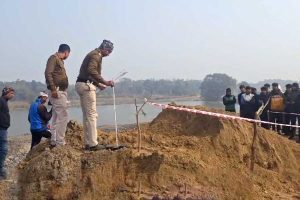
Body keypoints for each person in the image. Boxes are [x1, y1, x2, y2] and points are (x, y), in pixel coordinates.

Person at [75, 40, 114, 151]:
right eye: (109, 51)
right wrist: (106, 82)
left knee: (87, 116)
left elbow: (89, 74)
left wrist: (98, 84)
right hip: (86, 86)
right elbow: (91, 70)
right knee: (92, 115)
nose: (109, 54)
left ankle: (88, 142)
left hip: (81, 84)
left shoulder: (93, 54)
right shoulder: (96, 55)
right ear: (105, 49)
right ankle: (93, 144)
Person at [45, 44, 70, 147]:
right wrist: (53, 89)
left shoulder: (60, 61)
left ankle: (54, 140)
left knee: (56, 117)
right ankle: (60, 141)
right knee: (63, 116)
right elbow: (48, 73)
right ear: (66, 52)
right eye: (68, 54)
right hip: (57, 91)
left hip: (60, 91)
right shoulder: (53, 58)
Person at [0, 87, 15, 180]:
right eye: (11, 93)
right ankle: (1, 170)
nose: (13, 95)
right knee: (4, 150)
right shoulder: (1, 101)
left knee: (2, 149)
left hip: (3, 129)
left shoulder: (4, 102)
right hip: (1, 129)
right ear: (6, 93)